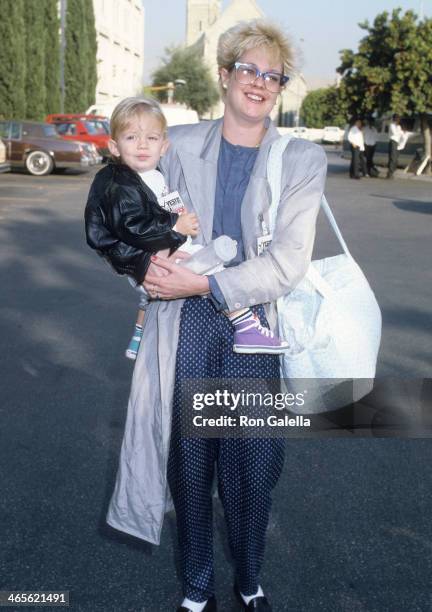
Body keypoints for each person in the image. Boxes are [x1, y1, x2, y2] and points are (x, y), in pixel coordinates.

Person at [89, 20, 327, 612]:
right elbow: (121, 211)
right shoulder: (177, 144)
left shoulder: (300, 157)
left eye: (273, 75)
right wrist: (144, 272)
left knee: (254, 459)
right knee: (192, 459)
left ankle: (249, 578)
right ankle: (197, 583)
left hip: (254, 322)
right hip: (187, 320)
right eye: (249, 69)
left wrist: (207, 280)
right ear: (224, 76)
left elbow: (290, 261)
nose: (260, 83)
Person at [85, 97, 290, 361]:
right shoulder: (121, 183)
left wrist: (175, 215)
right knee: (215, 269)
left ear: (164, 146)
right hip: (152, 255)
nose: (142, 145)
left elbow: (158, 206)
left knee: (150, 296)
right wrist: (175, 226)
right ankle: (246, 326)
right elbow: (131, 226)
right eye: (131, 138)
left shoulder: (154, 174)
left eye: (152, 138)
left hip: (155, 255)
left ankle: (138, 336)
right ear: (114, 146)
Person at [387, 113, 408, 178]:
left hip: (397, 143)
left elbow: (402, 134)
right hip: (393, 142)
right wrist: (401, 132)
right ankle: (390, 173)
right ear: (394, 119)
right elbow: (395, 133)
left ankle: (392, 171)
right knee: (392, 158)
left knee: (396, 159)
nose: (398, 120)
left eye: (399, 118)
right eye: (397, 118)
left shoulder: (398, 126)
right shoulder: (392, 125)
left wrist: (402, 132)